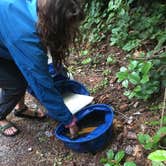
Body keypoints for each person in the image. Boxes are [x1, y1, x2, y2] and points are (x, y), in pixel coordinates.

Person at [0, 0, 84, 137]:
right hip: (11, 33)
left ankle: (20, 108)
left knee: (22, 70)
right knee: (15, 84)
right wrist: (68, 120)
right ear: (55, 24)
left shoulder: (38, 7)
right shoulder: (26, 38)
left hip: (5, 30)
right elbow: (41, 84)